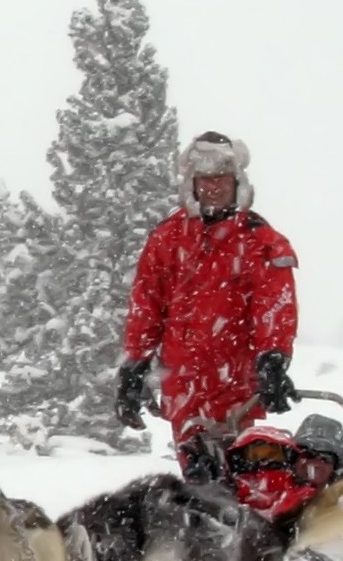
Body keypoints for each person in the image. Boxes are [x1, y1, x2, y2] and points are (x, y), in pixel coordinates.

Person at [115, 131, 298, 483]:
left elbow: (274, 307)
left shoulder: (261, 242)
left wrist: (273, 356)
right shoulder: (168, 238)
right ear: (192, 184)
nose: (213, 188)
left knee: (242, 486)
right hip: (183, 390)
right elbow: (146, 305)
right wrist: (134, 364)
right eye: (205, 181)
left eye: (221, 180)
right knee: (198, 491)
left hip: (237, 394)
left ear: (237, 181)